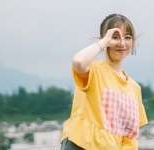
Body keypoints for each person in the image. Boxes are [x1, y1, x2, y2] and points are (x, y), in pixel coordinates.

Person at [60, 13, 148, 150]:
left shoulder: (134, 88)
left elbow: (130, 137)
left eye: (127, 37)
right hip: (81, 145)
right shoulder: (94, 70)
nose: (121, 43)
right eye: (115, 37)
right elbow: (78, 61)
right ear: (103, 40)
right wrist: (104, 42)